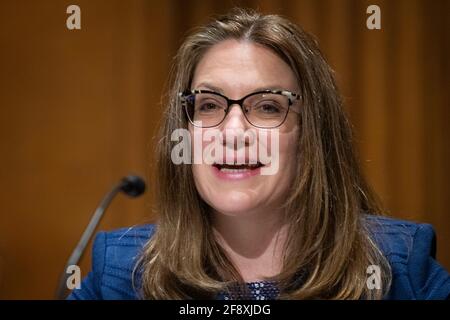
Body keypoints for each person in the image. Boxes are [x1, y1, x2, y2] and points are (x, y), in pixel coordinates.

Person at [68, 8, 450, 300]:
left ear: (311, 134)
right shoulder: (121, 274)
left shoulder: (398, 270)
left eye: (267, 106)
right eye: (209, 105)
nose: (233, 132)